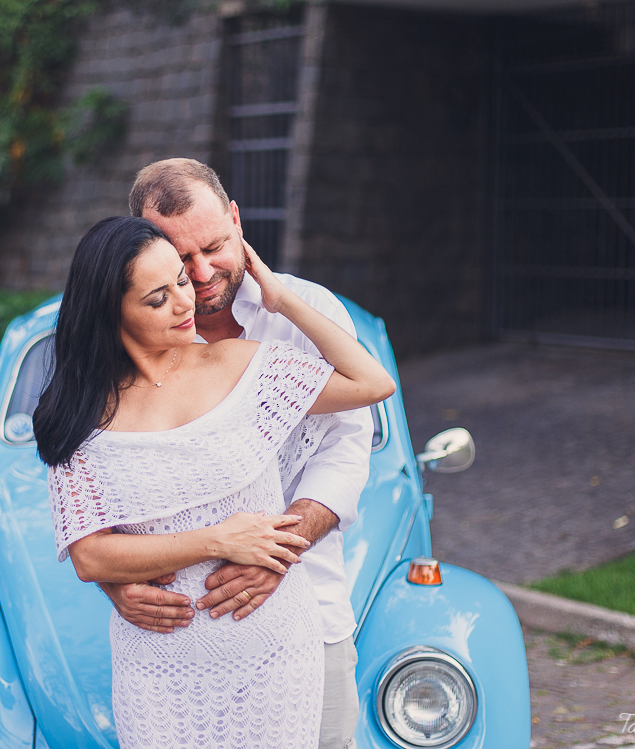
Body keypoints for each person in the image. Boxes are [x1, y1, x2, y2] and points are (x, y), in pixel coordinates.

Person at [33, 216, 394, 749]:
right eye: (158, 298)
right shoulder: (79, 413)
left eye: (181, 280)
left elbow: (372, 382)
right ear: (112, 312)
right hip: (157, 667)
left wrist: (283, 301)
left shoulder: (242, 368)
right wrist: (214, 541)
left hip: (272, 651)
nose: (185, 303)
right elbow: (90, 557)